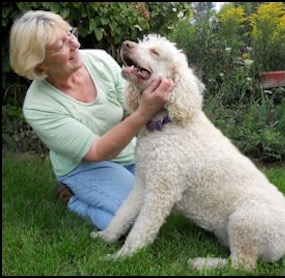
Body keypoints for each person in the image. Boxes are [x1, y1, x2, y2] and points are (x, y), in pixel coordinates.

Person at [9, 10, 174, 230]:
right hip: (86, 165)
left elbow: (129, 110)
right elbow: (97, 152)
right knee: (133, 220)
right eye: (61, 46)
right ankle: (74, 200)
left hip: (128, 152)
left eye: (70, 34)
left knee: (163, 202)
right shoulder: (38, 106)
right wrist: (144, 112)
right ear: (39, 65)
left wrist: (160, 106)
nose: (75, 44)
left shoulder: (100, 60)